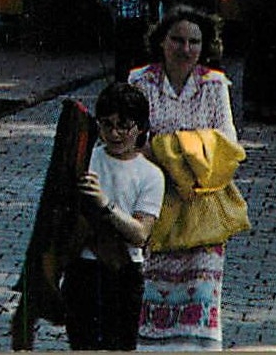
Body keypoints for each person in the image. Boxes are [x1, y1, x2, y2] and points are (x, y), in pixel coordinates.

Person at [129, 6, 237, 349]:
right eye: (177, 39)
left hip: (201, 204)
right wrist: (190, 149)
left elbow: (228, 145)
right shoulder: (140, 81)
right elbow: (132, 143)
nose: (185, 49)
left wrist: (166, 149)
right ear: (161, 42)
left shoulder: (214, 84)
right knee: (151, 291)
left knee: (201, 295)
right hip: (153, 202)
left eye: (194, 41)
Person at [59, 82, 164, 352]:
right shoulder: (85, 160)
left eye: (123, 125)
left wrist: (104, 204)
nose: (115, 133)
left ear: (140, 127)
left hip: (122, 273)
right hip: (83, 269)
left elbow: (140, 233)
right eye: (106, 125)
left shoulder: (151, 175)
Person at [98, 0, 147, 83]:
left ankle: (139, 80)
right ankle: (121, 81)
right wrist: (102, 0)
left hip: (137, 23)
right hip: (123, 24)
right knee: (122, 55)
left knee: (138, 53)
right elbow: (106, 0)